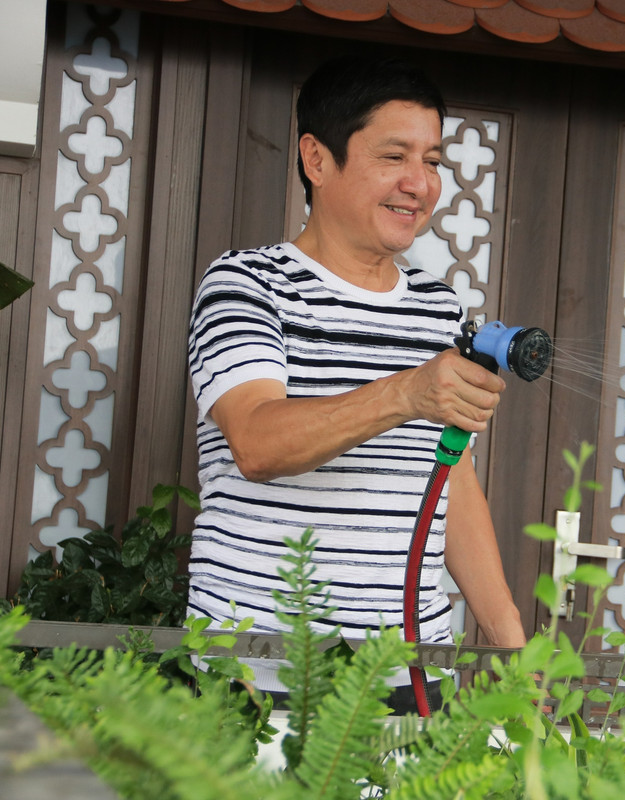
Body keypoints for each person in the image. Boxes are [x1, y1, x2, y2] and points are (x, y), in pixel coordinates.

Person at [185, 56, 526, 707]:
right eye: (394, 155)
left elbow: (451, 480)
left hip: (408, 677)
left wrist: (513, 642)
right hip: (260, 677)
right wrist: (405, 392)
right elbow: (258, 445)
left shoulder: (440, 309)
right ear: (317, 159)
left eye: (432, 161)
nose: (418, 183)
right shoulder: (246, 284)